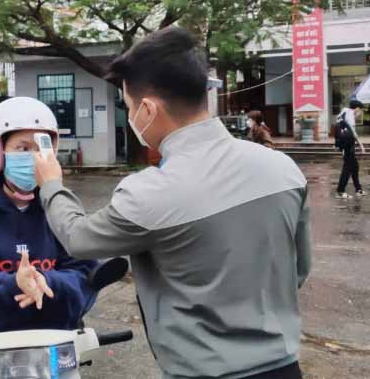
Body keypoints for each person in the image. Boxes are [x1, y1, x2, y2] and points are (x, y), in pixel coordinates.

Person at [34, 27, 311, 379]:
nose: (131, 115)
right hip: (285, 368)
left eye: (129, 106)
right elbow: (298, 270)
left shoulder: (149, 194)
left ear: (147, 109)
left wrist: (51, 184)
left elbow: (78, 238)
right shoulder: (283, 169)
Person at [0, 97, 98, 341]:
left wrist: (46, 281)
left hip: (52, 341)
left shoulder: (60, 208)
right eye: (23, 148)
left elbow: (85, 277)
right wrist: (14, 284)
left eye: (40, 147)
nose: (33, 157)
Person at [335, 100, 366, 199]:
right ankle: (340, 191)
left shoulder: (343, 112)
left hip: (343, 143)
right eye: (360, 111)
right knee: (348, 168)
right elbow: (352, 132)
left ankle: (358, 189)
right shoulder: (350, 114)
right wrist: (361, 145)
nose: (360, 113)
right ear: (357, 108)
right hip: (347, 144)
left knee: (355, 166)